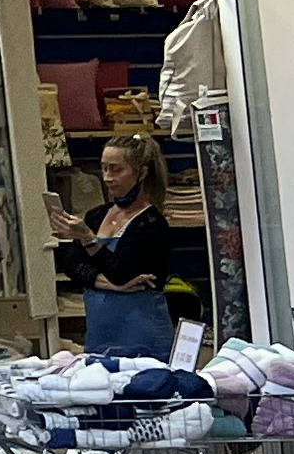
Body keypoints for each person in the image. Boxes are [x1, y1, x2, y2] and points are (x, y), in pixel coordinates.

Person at [49, 131, 194, 358]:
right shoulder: (97, 215)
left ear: (142, 173)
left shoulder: (152, 224)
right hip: (100, 336)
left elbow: (122, 272)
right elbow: (71, 264)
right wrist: (111, 286)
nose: (107, 177)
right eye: (105, 168)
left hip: (142, 337)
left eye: (116, 169)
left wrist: (88, 238)